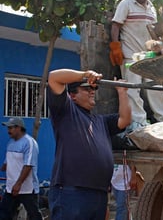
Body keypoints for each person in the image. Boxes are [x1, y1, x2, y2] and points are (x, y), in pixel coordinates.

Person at [46, 68, 131, 220]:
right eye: (86, 88)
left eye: (94, 88)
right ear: (72, 96)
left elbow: (125, 119)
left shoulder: (101, 121)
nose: (92, 91)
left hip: (98, 194)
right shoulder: (66, 111)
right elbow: (53, 77)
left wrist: (122, 92)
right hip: (71, 192)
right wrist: (84, 75)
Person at [110, 0, 163, 129]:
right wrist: (115, 46)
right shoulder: (126, 4)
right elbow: (116, 25)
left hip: (148, 55)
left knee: (156, 88)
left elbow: (153, 32)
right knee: (133, 90)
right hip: (130, 54)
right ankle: (138, 124)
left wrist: (159, 47)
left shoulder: (151, 8)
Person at [0, 117, 42, 220]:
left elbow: (28, 165)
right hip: (11, 188)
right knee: (4, 214)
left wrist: (18, 184)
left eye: (10, 128)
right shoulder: (10, 143)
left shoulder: (29, 142)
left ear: (19, 128)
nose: (8, 131)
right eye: (8, 128)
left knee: (34, 215)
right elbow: (7, 163)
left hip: (27, 189)